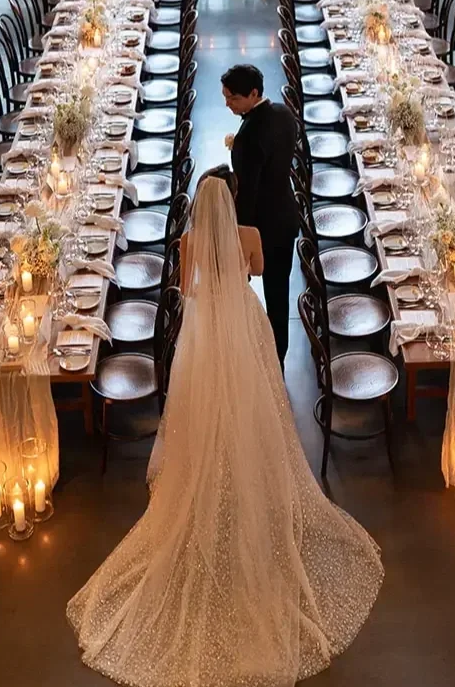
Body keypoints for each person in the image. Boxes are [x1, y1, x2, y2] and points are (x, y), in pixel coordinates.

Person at [67, 175, 383, 687]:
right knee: (255, 400)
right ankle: (249, 464)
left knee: (201, 403)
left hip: (206, 330)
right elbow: (256, 272)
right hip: (244, 324)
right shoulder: (252, 235)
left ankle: (205, 467)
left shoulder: (187, 243)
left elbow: (188, 286)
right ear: (232, 202)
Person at [221, 64, 299, 366]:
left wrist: (239, 238)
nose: (228, 104)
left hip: (265, 227)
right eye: (226, 97)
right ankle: (279, 353)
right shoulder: (283, 114)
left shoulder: (249, 137)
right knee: (280, 293)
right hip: (285, 214)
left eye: (234, 98)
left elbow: (248, 194)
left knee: (268, 291)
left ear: (254, 94)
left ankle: (271, 358)